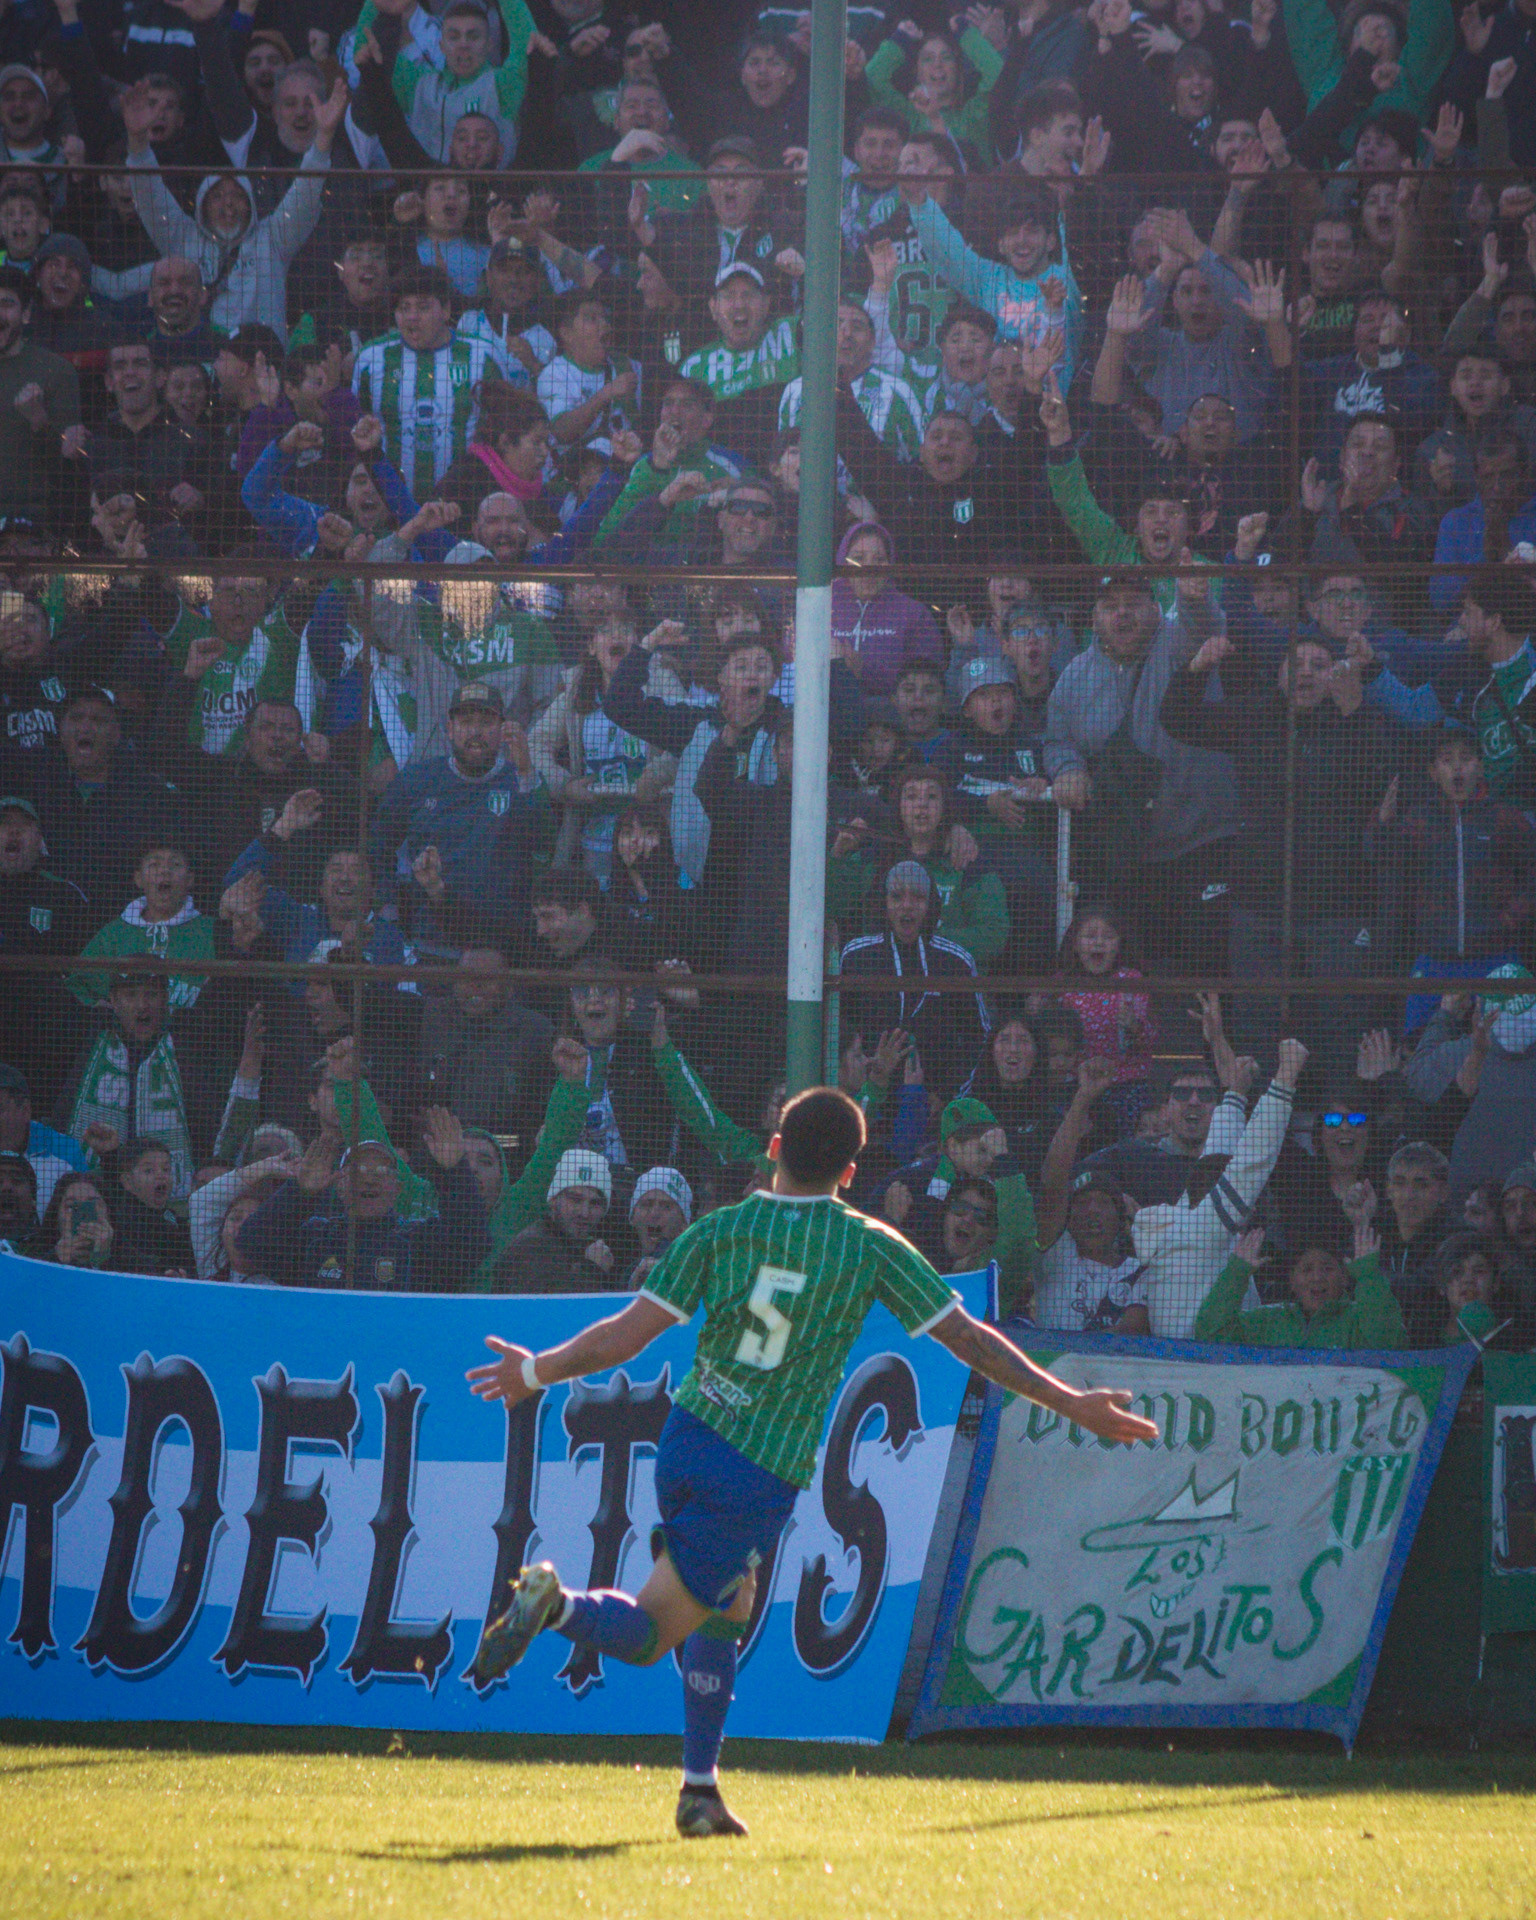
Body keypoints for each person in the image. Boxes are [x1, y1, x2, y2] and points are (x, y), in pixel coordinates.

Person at [465, 1085, 1157, 1838]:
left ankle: (700, 1791)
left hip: (688, 1438)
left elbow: (623, 1338)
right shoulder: (868, 1245)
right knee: (648, 1634)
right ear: (853, 1173)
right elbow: (970, 1340)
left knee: (730, 1602)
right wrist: (1072, 1402)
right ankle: (553, 1603)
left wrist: (536, 1373)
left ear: (773, 1150)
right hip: (756, 1467)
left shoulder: (717, 1230)